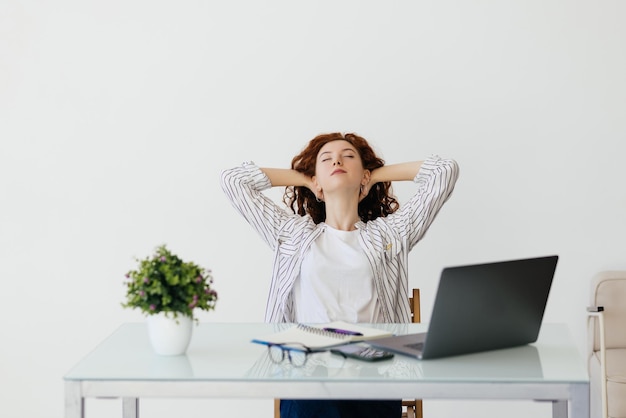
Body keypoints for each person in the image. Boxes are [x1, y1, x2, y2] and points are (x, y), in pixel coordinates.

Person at [221, 132, 459, 418]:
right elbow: (234, 181)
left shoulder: (390, 235)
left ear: (364, 177)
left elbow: (444, 171)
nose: (337, 160)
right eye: (326, 159)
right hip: (309, 375)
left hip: (374, 376)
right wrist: (305, 179)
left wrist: (374, 175)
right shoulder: (293, 235)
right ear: (317, 184)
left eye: (348, 156)